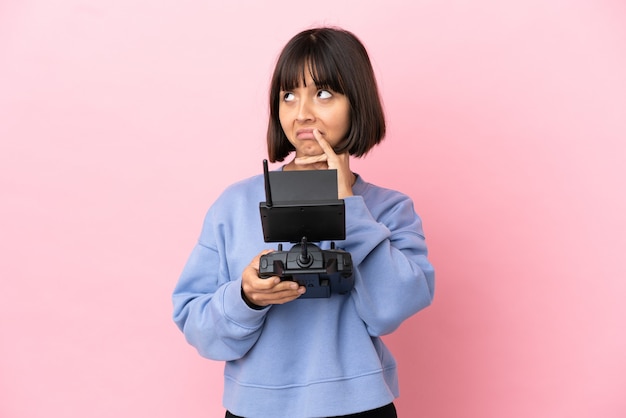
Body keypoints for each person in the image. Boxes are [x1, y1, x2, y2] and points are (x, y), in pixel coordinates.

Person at [172, 27, 435, 418]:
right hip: (255, 409)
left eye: (324, 93)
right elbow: (196, 324)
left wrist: (349, 205)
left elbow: (392, 308)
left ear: (357, 103)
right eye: (289, 95)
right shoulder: (235, 205)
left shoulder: (388, 208)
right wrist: (245, 298)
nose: (302, 113)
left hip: (360, 407)